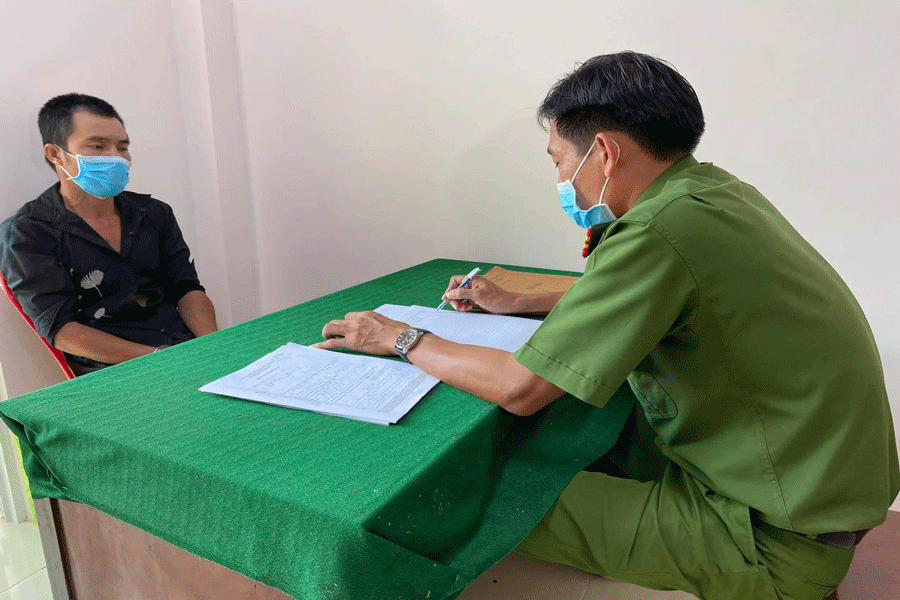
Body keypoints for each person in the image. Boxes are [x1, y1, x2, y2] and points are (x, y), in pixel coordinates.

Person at [313, 52, 899, 599]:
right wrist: (520, 302)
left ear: (604, 153)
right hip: (815, 493)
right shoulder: (709, 193)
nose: (560, 179)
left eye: (559, 161)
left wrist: (398, 337)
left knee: (471, 495)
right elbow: (665, 293)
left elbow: (520, 387)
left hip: (770, 540)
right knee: (576, 437)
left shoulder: (654, 232)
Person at [0, 94, 218, 374]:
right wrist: (161, 358)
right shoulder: (27, 232)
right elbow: (61, 330)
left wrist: (213, 345)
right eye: (98, 146)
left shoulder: (154, 213)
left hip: (184, 350)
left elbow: (187, 289)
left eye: (122, 147)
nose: (116, 157)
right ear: (55, 154)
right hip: (112, 372)